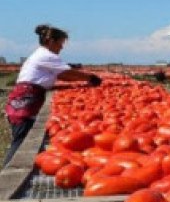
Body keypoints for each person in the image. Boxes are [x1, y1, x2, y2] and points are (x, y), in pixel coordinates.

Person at [4, 24, 101, 166]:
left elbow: (64, 76)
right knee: (21, 145)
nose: (61, 48)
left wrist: (84, 77)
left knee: (21, 140)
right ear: (51, 41)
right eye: (60, 44)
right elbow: (66, 74)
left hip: (25, 100)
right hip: (24, 103)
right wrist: (90, 77)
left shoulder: (42, 54)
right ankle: (7, 177)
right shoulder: (46, 55)